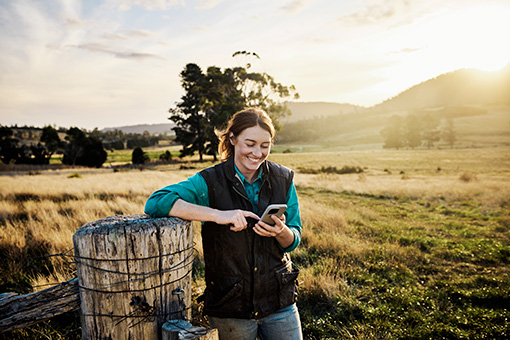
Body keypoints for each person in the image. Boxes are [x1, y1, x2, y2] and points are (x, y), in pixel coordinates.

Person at [145, 107, 302, 340]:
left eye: (265, 145)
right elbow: (156, 202)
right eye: (250, 144)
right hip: (230, 306)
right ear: (232, 138)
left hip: (279, 302)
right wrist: (218, 215)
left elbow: (293, 240)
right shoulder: (208, 181)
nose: (257, 153)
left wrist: (282, 232)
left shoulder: (284, 179)